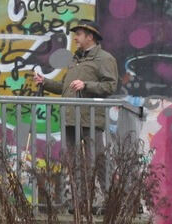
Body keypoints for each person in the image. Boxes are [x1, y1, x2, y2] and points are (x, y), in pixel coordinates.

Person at [34, 19, 118, 158]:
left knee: (96, 160)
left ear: (90, 37)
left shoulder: (105, 59)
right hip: (70, 119)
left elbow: (110, 86)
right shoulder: (75, 59)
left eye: (78, 34)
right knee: (71, 161)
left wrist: (86, 85)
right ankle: (75, 181)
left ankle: (104, 181)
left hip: (90, 120)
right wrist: (45, 82)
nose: (75, 38)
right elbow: (65, 87)